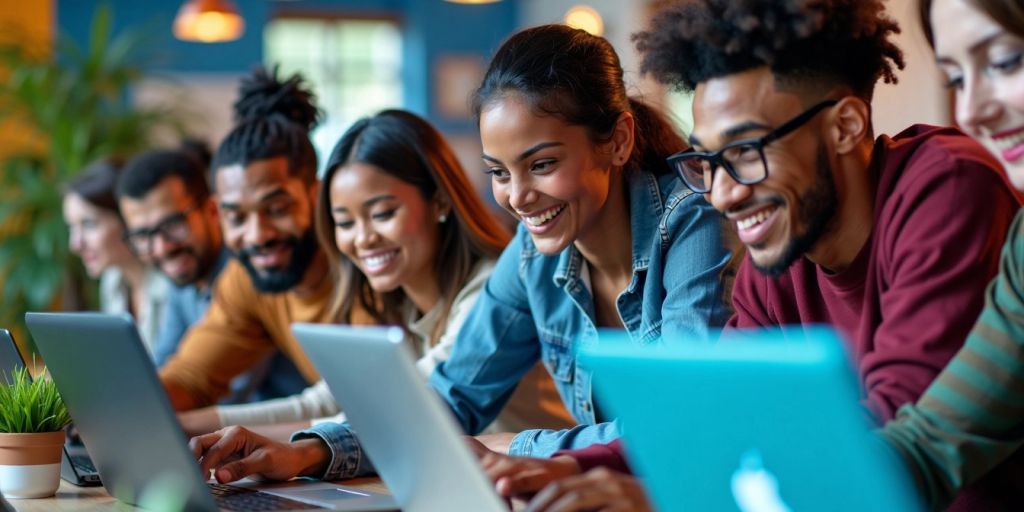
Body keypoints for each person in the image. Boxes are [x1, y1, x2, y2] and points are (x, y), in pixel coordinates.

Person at [481, 1, 1022, 510]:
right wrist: (570, 468)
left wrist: (677, 497)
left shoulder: (944, 186)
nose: (722, 193)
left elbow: (887, 430)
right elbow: (713, 418)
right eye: (708, 160)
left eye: (745, 152)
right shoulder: (777, 260)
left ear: (846, 127)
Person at [188, 24, 732, 485]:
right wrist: (310, 452)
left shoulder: (693, 223)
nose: (517, 197)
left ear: (617, 140)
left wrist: (514, 445)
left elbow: (676, 418)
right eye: (499, 172)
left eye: (541, 164)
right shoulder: (533, 256)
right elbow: (449, 395)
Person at [175, 110, 573, 435]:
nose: (363, 239)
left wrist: (289, 445)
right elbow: (330, 399)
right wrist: (198, 426)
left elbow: (401, 407)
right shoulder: (395, 300)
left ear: (439, 202)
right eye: (344, 222)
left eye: (382, 214)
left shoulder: (488, 290)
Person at [879, 0, 1024, 509]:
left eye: (1005, 61)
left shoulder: (949, 183)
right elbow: (930, 444)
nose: (970, 112)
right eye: (956, 79)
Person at [159, 66, 337, 411]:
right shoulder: (247, 279)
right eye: (236, 217)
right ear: (216, 213)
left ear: (316, 195)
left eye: (277, 209)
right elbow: (190, 379)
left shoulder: (366, 267)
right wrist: (113, 410)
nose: (257, 236)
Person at [116, 144, 307, 405]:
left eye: (173, 225)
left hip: (286, 433)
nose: (162, 247)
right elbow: (167, 368)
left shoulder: (255, 268)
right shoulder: (184, 277)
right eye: (143, 235)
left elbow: (226, 390)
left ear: (212, 210)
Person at [63, 157, 170, 356]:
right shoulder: (112, 281)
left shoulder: (173, 285)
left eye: (88, 224)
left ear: (130, 219)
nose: (75, 244)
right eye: (71, 228)